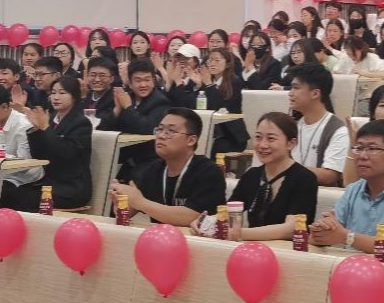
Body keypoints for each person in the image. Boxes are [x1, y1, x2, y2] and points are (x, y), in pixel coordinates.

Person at [309, 120, 384, 258]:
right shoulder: (353, 191)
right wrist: (323, 229)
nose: (362, 156)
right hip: (353, 267)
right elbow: (316, 238)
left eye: (372, 149)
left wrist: (347, 237)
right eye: (359, 148)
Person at [207, 112, 320, 241]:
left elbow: (291, 229)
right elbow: (227, 213)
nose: (262, 145)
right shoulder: (251, 175)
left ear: (291, 143)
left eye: (271, 139)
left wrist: (239, 234)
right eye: (258, 137)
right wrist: (206, 223)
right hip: (251, 248)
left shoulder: (305, 179)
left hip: (287, 250)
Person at [111, 108, 227, 226]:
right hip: (161, 236)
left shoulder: (209, 172)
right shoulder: (153, 170)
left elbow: (192, 217)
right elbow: (130, 211)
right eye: (159, 129)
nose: (161, 136)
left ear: (191, 140)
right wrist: (121, 204)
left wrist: (140, 202)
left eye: (171, 131)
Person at [11, 74, 94, 212]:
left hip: (72, 188)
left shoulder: (81, 123)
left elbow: (67, 152)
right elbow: (39, 156)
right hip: (50, 183)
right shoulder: (50, 119)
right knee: (10, 192)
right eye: (53, 93)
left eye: (62, 93)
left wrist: (45, 128)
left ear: (74, 96)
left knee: (23, 198)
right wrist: (36, 128)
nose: (56, 97)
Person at [287, 63, 350, 187]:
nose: (290, 93)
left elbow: (330, 176)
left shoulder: (338, 131)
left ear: (315, 94)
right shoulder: (293, 126)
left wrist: (286, 169)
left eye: (296, 88)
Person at [81, 56, 118, 126]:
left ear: (112, 79)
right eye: (93, 75)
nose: (97, 79)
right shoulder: (86, 96)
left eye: (102, 76)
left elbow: (105, 122)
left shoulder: (115, 98)